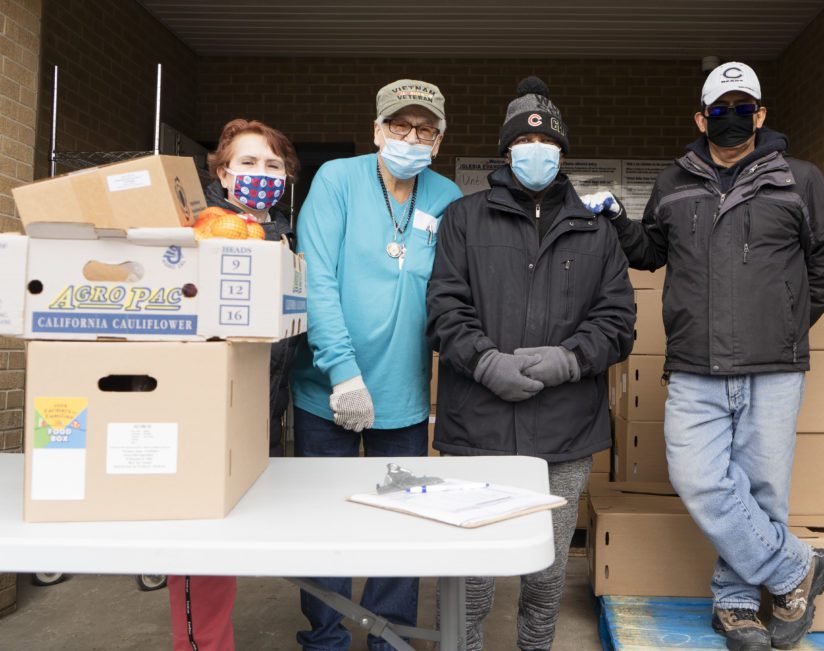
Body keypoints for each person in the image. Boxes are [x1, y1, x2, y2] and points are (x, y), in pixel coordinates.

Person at [583, 62, 824, 651]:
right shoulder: (673, 183)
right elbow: (652, 252)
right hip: (695, 366)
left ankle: (736, 608)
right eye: (720, 109)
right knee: (700, 479)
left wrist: (784, 323)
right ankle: (794, 570)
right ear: (701, 118)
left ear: (760, 114)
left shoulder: (800, 180)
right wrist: (617, 222)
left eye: (743, 108)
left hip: (774, 367)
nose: (732, 118)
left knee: (761, 490)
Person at [426, 76, 635, 651]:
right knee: (470, 575)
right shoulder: (464, 219)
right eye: (523, 142)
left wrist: (570, 359)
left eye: (546, 143)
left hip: (564, 430)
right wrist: (484, 360)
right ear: (506, 151)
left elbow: (618, 319)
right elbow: (445, 307)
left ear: (562, 152)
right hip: (477, 428)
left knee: (545, 572)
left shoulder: (595, 228)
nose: (535, 151)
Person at [289, 80, 462, 651]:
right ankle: (328, 638)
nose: (411, 138)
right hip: (327, 391)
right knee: (328, 524)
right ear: (376, 130)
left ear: (438, 140)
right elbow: (318, 277)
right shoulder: (338, 179)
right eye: (399, 127)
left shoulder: (445, 196)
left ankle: (391, 637)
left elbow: (452, 290)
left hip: (404, 395)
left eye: (424, 130)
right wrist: (341, 371)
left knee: (400, 527)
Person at [167, 118, 301, 651]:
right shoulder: (200, 229)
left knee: (226, 546)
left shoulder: (280, 234)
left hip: (260, 411)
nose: (260, 174)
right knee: (201, 555)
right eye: (247, 163)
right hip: (208, 417)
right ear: (222, 172)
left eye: (273, 166)